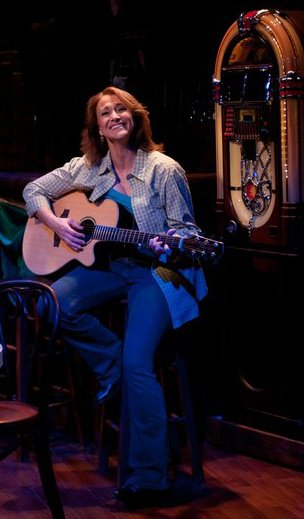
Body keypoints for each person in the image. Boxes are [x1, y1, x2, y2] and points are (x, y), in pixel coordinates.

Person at [22, 86, 208, 507]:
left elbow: (189, 232)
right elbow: (33, 191)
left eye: (121, 108)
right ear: (98, 127)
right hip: (109, 271)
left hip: (156, 274)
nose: (114, 116)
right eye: (106, 113)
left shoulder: (164, 169)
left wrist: (172, 242)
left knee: (139, 362)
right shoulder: (87, 169)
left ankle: (150, 480)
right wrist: (56, 223)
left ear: (135, 117)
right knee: (52, 303)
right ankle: (113, 368)